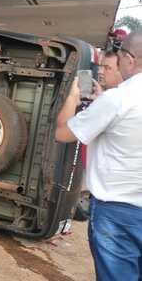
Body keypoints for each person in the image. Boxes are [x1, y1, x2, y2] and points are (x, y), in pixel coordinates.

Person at [55, 33, 142, 281]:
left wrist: (73, 96)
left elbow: (62, 133)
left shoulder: (117, 100)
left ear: (128, 58)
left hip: (117, 215)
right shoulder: (111, 100)